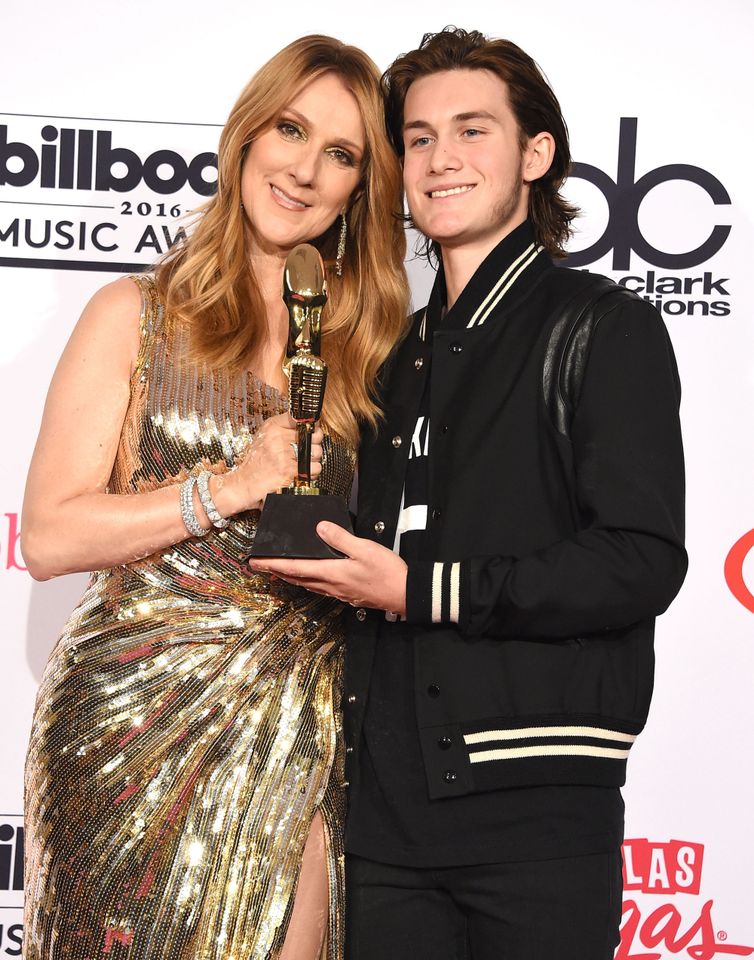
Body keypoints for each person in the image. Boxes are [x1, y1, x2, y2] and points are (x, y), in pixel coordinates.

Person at [251, 27, 687, 960]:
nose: (441, 158)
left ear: (537, 155)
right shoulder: (381, 357)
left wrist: (422, 589)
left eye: (473, 130)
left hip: (535, 830)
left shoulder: (603, 329)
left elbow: (640, 560)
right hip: (383, 829)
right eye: (416, 138)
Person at [20, 35, 407, 960]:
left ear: (361, 187)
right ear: (246, 137)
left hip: (299, 717)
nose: (305, 170)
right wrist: (226, 487)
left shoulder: (370, 354)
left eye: (342, 154)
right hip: (127, 721)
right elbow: (46, 536)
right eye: (290, 129)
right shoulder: (135, 316)